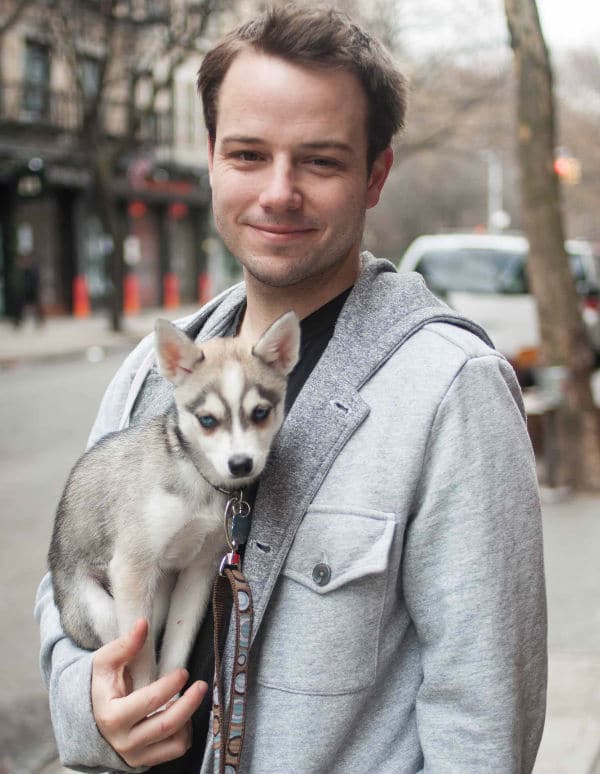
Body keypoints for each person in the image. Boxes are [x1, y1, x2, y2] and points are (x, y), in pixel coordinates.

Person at [35, 6, 547, 773]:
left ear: (376, 176)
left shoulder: (450, 390)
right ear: (210, 158)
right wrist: (93, 715)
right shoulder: (151, 374)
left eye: (320, 161)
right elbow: (68, 583)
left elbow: (482, 718)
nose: (279, 192)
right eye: (248, 154)